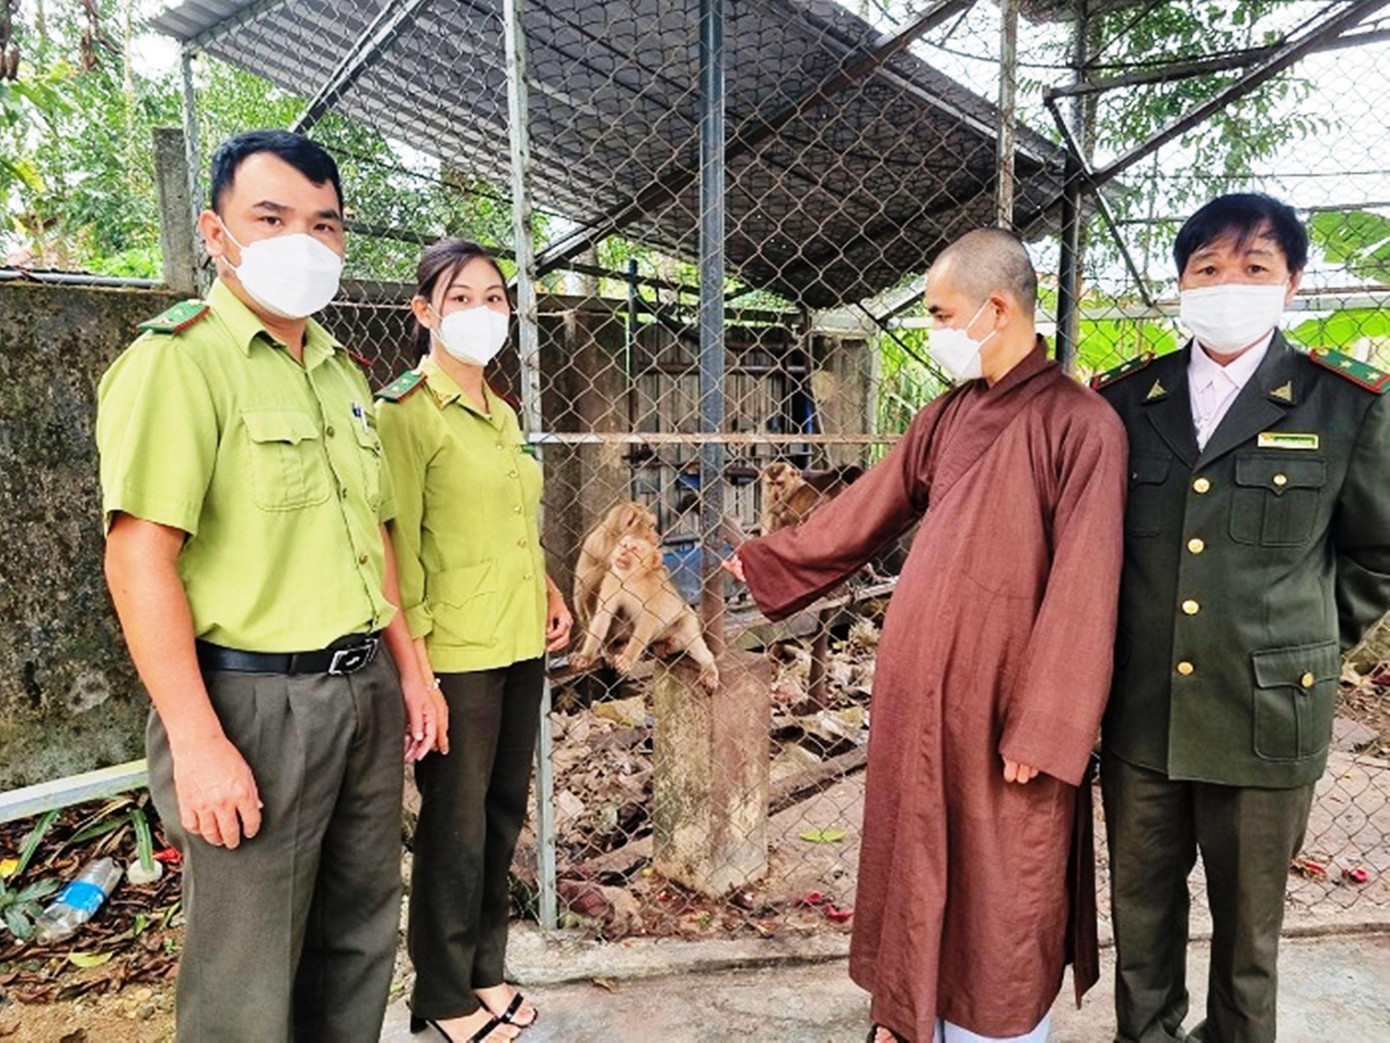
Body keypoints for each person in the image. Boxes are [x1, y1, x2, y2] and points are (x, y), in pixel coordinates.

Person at [725, 228, 1128, 1042]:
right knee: (915, 858)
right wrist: (773, 560)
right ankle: (908, 1017)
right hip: (920, 695)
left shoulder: (1083, 425)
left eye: (942, 314)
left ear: (998, 308)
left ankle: (992, 1029)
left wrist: (1049, 724)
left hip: (1004, 705)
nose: (935, 332)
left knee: (1000, 879)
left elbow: (1089, 582)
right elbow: (870, 505)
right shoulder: (949, 414)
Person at [96, 130, 442, 1041]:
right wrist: (197, 740)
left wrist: (409, 668)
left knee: (359, 939)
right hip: (253, 704)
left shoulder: (339, 373)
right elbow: (138, 559)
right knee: (247, 978)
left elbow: (370, 536)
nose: (304, 239)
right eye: (272, 216)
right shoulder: (179, 362)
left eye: (324, 223)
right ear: (217, 231)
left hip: (361, 690)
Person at [1093, 192, 1390, 1042]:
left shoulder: (1346, 404)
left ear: (1290, 282)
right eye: (1208, 267)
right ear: (1182, 282)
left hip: (1268, 719)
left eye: (1254, 267)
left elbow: (1378, 552)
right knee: (1141, 926)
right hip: (1144, 715)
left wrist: (1305, 644)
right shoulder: (1127, 401)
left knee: (1248, 942)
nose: (1230, 282)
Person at [375, 238, 574, 1043]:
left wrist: (551, 586)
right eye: (461, 298)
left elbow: (510, 523)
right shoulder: (404, 415)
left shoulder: (502, 413)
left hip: (517, 638)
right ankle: (442, 992)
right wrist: (415, 671)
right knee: (453, 827)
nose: (482, 313)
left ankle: (485, 970)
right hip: (452, 652)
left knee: (499, 815)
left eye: (495, 298)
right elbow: (394, 550)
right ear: (424, 313)